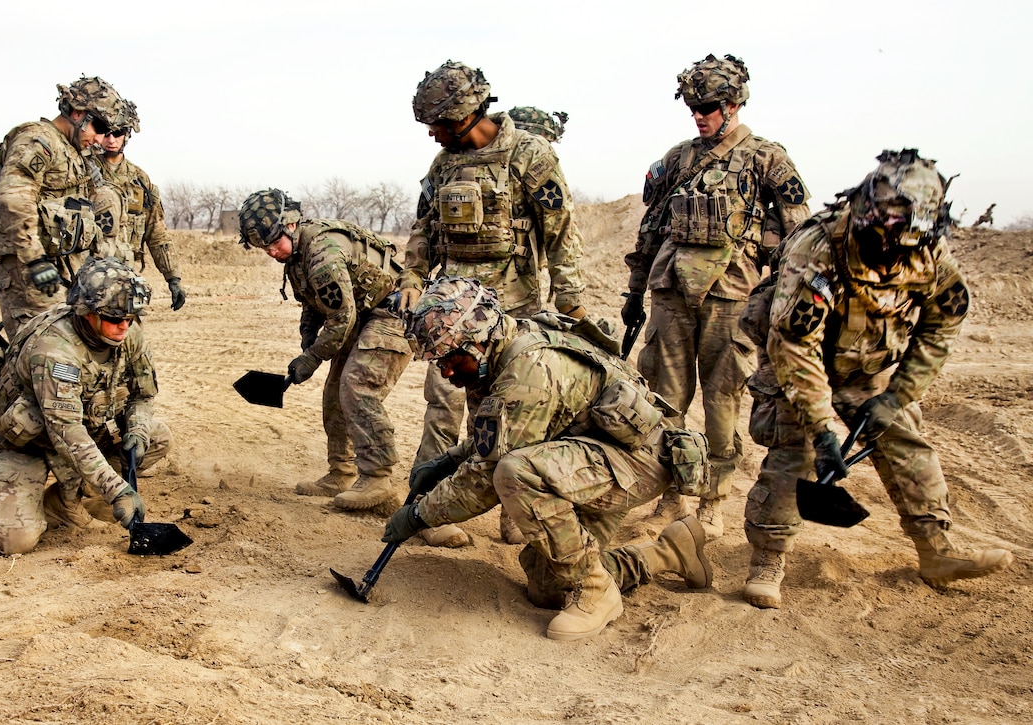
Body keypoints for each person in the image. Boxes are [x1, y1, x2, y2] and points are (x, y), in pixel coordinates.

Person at [738, 149, 1013, 609]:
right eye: (881, 229)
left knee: (905, 440)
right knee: (795, 449)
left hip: (869, 362)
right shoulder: (820, 247)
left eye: (902, 233)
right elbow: (794, 346)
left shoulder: (930, 251)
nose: (889, 242)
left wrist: (898, 395)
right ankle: (767, 561)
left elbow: (942, 324)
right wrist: (825, 430)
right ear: (866, 210)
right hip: (798, 358)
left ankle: (936, 551)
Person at [383, 277, 713, 641]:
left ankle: (597, 592)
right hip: (593, 452)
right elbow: (504, 436)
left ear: (477, 341)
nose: (445, 372)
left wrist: (418, 515)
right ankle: (670, 552)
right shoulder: (504, 349)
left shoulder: (528, 372)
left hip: (636, 461)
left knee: (514, 473)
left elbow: (486, 478)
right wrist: (449, 460)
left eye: (450, 359)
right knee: (547, 588)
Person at [398, 60, 587, 548]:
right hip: (449, 315)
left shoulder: (529, 155)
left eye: (437, 123)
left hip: (513, 315)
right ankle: (430, 509)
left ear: (463, 113)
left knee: (512, 414)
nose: (433, 134)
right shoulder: (443, 168)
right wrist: (414, 277)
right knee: (441, 406)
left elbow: (561, 234)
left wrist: (573, 303)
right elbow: (424, 229)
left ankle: (516, 512)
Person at [623, 54, 812, 539]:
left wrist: (785, 300)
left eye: (707, 107)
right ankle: (671, 492)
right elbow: (650, 228)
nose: (699, 116)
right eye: (693, 108)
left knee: (722, 400)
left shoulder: (766, 158)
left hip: (732, 295)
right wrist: (635, 289)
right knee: (665, 399)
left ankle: (713, 499)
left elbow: (798, 236)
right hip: (670, 290)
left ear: (732, 105)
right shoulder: (677, 159)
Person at [0, 256, 171, 555]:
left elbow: (142, 395)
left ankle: (66, 500)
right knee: (12, 540)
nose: (124, 327)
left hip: (82, 430)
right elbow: (67, 433)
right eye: (115, 319)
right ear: (86, 312)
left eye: (131, 319)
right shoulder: (55, 350)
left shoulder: (128, 335)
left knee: (157, 437)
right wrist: (117, 490)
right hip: (27, 443)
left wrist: (137, 432)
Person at [237, 189, 412, 510]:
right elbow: (314, 303)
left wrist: (313, 357)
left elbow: (341, 317)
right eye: (264, 248)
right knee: (334, 393)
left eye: (274, 243)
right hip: (362, 314)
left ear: (290, 227)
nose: (272, 252)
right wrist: (307, 338)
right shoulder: (297, 255)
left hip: (394, 313)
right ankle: (341, 473)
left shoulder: (322, 253)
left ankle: (377, 478)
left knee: (357, 387)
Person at [0, 76, 124, 339]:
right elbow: (15, 198)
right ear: (77, 114)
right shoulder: (38, 141)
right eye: (98, 127)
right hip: (29, 270)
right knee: (42, 349)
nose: (100, 138)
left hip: (67, 267)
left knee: (71, 351)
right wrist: (34, 261)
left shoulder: (77, 152)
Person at [92, 99, 187, 311]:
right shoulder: (84, 172)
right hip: (89, 273)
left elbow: (156, 232)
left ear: (127, 135)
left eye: (117, 133)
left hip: (126, 273)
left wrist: (173, 278)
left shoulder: (140, 180)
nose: (111, 139)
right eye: (105, 132)